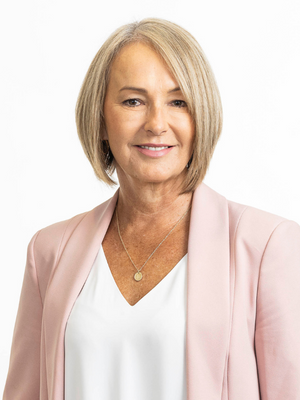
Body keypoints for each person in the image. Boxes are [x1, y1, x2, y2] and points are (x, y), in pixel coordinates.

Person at [2, 17, 300, 400]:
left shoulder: (267, 247)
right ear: (102, 120)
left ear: (200, 116)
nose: (156, 123)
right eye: (133, 101)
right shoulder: (49, 252)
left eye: (178, 102)